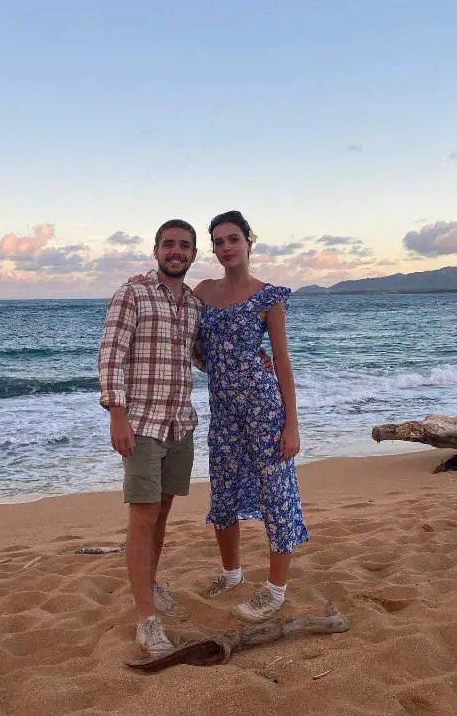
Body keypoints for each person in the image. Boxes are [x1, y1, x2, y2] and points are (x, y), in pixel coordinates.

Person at [194, 210, 309, 623]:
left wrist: (291, 425)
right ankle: (232, 574)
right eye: (218, 242)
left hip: (264, 411)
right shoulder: (202, 292)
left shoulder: (269, 297)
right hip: (223, 413)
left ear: (248, 241)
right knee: (222, 494)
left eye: (232, 239)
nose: (225, 248)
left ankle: (276, 590)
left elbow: (281, 362)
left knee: (275, 495)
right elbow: (190, 343)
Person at [98, 218, 202, 656]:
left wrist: (253, 357)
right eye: (168, 244)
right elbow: (111, 354)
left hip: (181, 423)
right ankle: (146, 620)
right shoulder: (133, 293)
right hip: (142, 424)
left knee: (160, 514)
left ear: (194, 254)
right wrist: (116, 415)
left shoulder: (194, 305)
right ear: (156, 249)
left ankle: (150, 583)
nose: (175, 251)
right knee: (142, 518)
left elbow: (200, 355)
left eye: (184, 246)